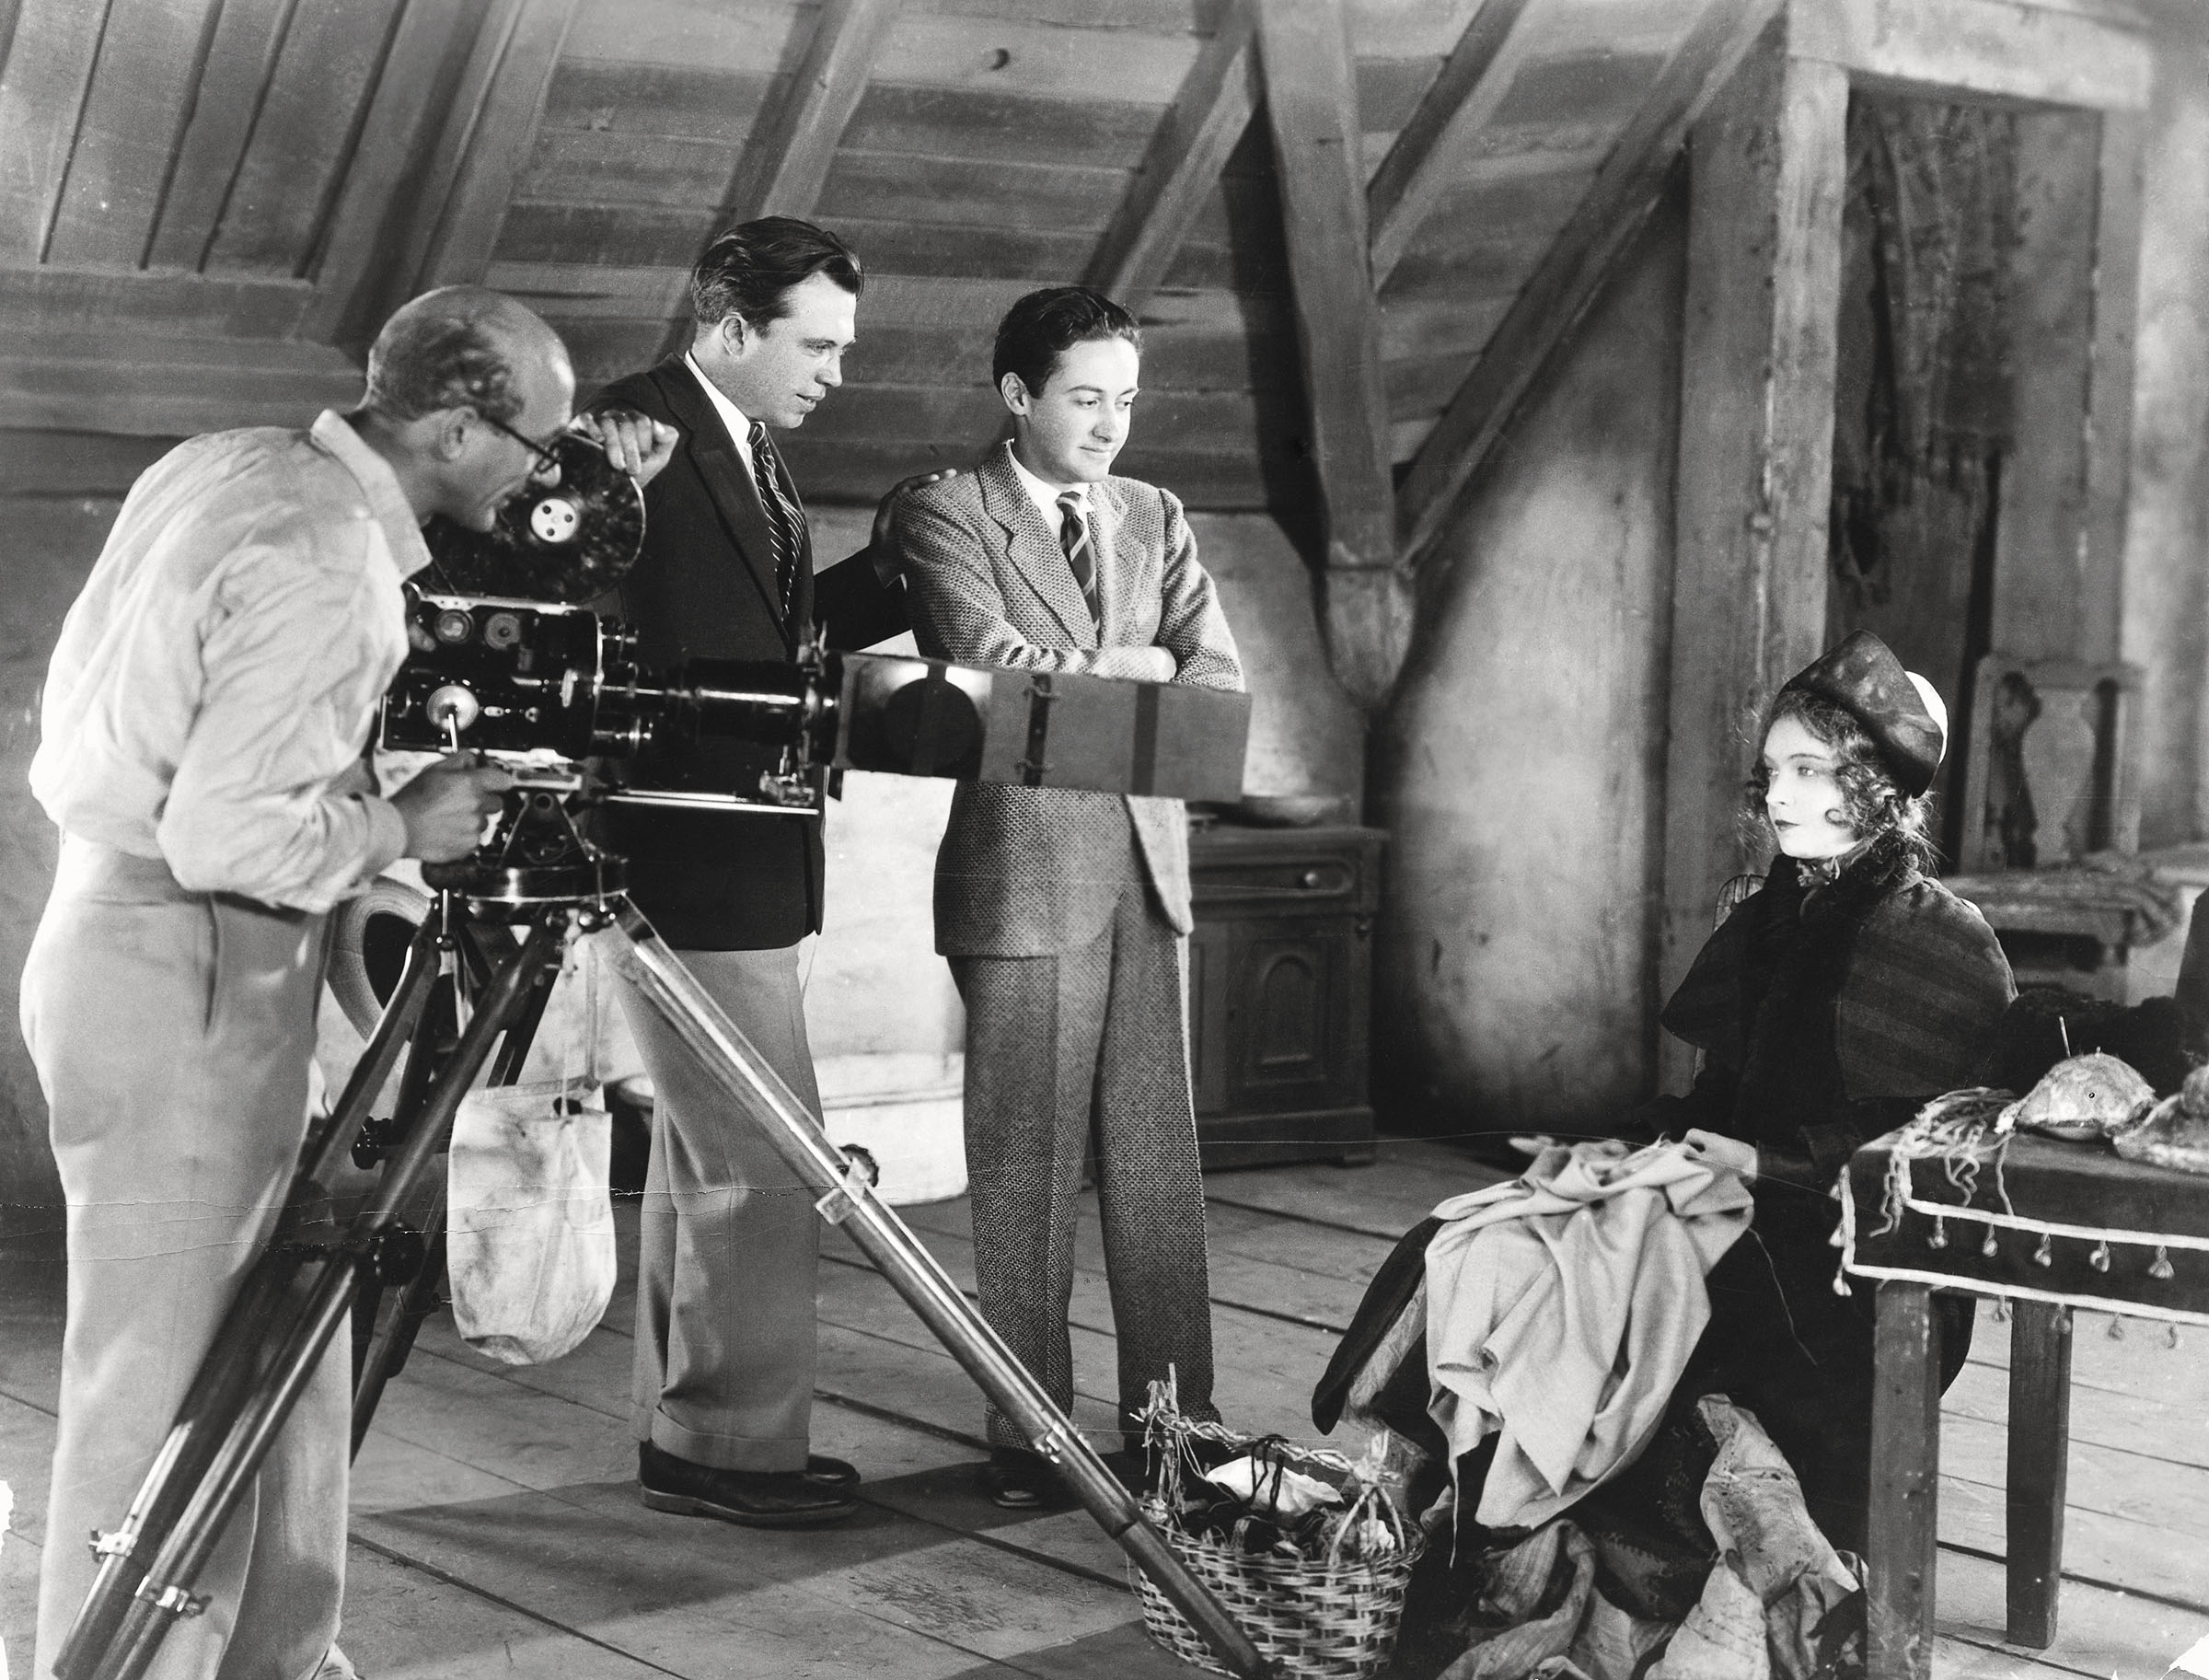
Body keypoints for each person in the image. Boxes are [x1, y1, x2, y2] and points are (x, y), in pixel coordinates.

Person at [20, 287, 624, 1680]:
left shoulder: (227, 463)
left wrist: (361, 793)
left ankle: (282, 1654)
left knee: (286, 1324)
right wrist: (403, 830)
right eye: (535, 450)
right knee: (157, 1383)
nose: (543, 482)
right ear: (459, 427)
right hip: (190, 959)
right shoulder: (332, 553)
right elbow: (226, 835)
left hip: (146, 940)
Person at [587, 217, 940, 1528]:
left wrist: (890, 571)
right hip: (686, 856)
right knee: (764, 1158)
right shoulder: (636, 436)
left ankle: (694, 1430)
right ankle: (732, 1448)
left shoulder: (748, 448)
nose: (836, 372)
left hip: (744, 855)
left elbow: (771, 640)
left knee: (714, 1160)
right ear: (731, 326)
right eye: (818, 343)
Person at [891, 285, 1244, 1509]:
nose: (1109, 425)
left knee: (1160, 1168)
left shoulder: (1156, 512)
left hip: (1148, 871)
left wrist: (1111, 681)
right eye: (1085, 398)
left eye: (1126, 401)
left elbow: (1217, 684)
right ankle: (1028, 1433)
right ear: (1018, 395)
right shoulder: (942, 512)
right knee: (1026, 1171)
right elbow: (1000, 679)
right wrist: (1130, 671)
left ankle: (1177, 1428)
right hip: (1025, 876)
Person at [1619, 628, 2016, 1553]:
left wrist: (1750, 1169)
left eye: (1812, 769)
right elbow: (1719, 1095)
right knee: (1517, 1233)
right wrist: (1636, 1147)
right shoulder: (1769, 918)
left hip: (1862, 1277)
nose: (1781, 795)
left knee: (1644, 1266)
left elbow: (1921, 1161)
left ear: (1877, 788)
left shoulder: (1942, 940)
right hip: (1754, 1223)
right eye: (1773, 771)